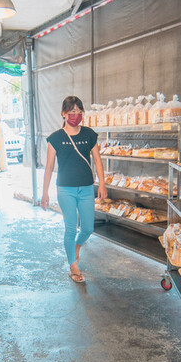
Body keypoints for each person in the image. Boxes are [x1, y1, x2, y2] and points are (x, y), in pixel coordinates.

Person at [41, 96, 107, 283]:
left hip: (86, 188)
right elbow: (48, 167)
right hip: (65, 189)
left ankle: (77, 246)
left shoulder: (89, 135)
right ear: (63, 114)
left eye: (79, 112)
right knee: (70, 227)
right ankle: (73, 264)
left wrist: (102, 183)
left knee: (88, 228)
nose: (76, 116)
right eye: (72, 112)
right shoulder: (55, 139)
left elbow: (97, 160)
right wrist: (45, 192)